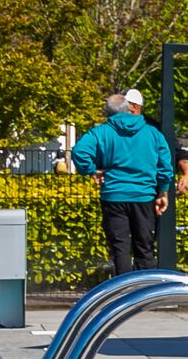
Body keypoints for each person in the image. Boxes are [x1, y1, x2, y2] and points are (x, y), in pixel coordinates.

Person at [71, 90, 175, 279]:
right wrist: (163, 191)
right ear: (128, 107)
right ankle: (144, 290)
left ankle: (123, 290)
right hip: (144, 196)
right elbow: (164, 164)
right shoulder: (153, 133)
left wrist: (92, 170)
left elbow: (79, 151)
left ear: (108, 112)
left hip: (113, 196)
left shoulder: (101, 132)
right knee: (145, 246)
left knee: (120, 248)